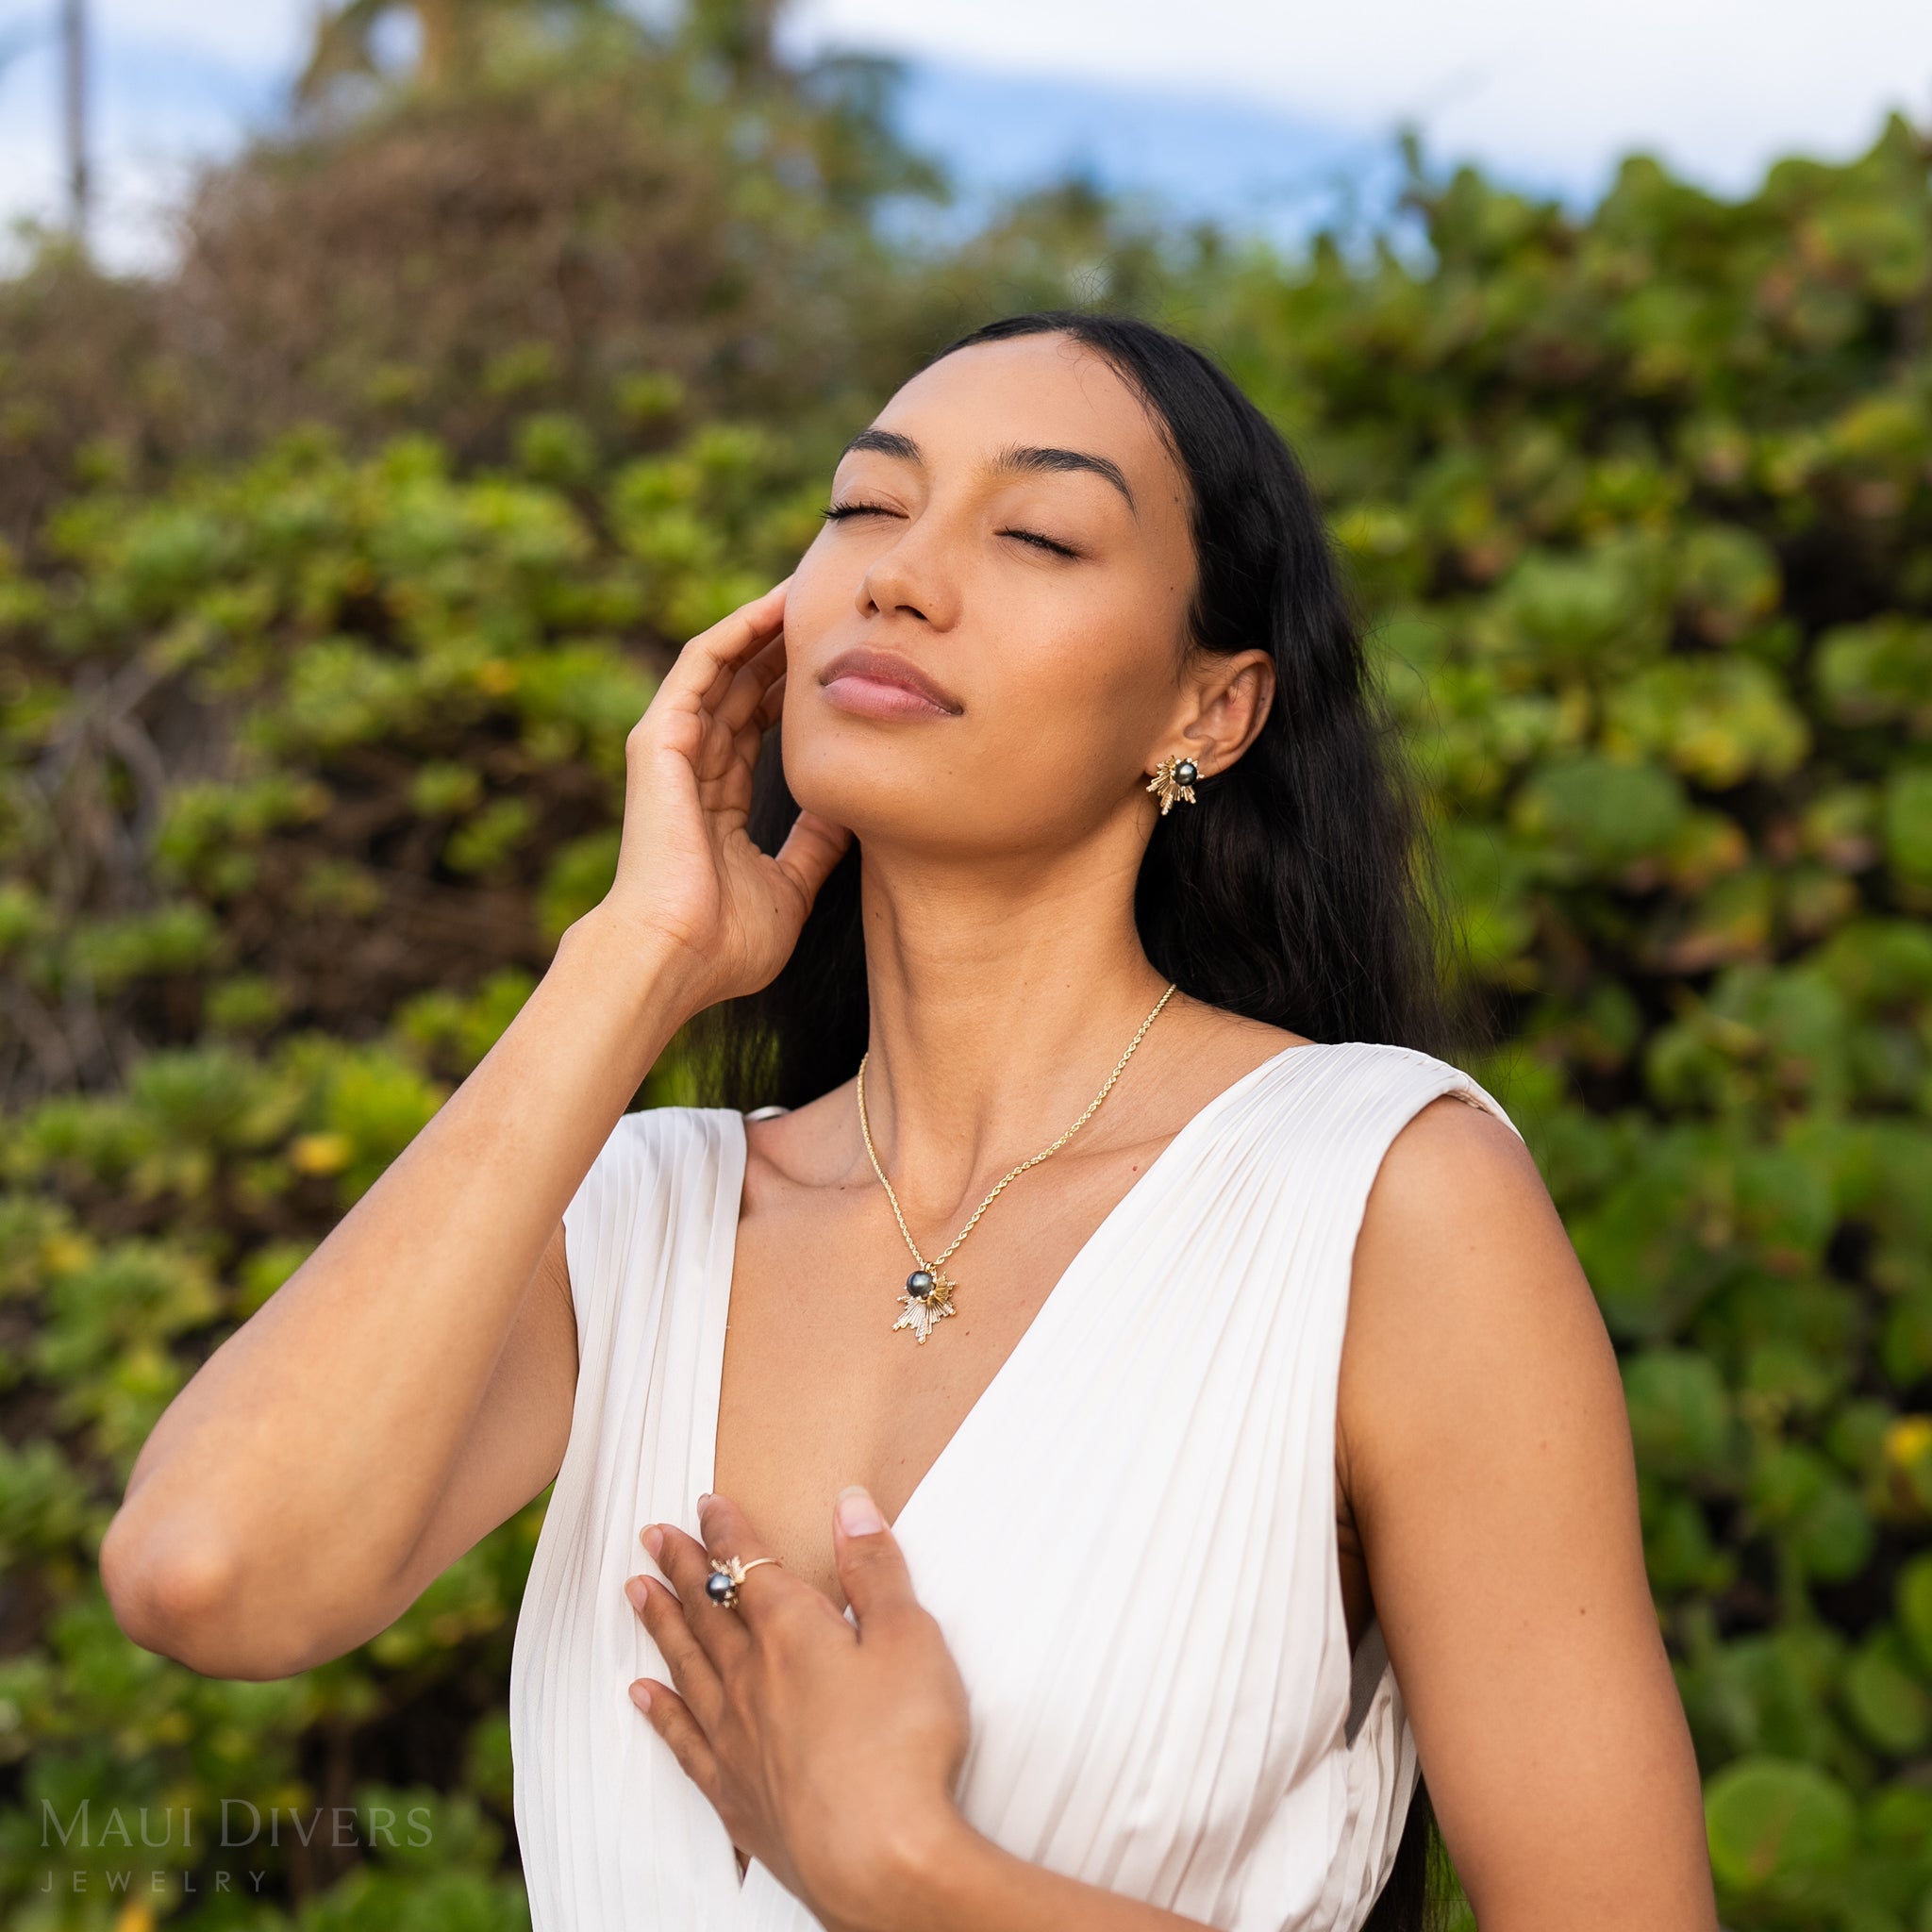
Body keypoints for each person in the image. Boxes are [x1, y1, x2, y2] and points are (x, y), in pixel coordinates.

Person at [100, 312, 1719, 1930]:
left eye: (1036, 531)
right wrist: (634, 960)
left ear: (1209, 712)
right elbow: (208, 1574)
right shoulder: (644, 1213)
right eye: (865, 508)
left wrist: (911, 1874)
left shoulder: (1376, 1195)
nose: (901, 576)